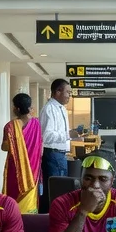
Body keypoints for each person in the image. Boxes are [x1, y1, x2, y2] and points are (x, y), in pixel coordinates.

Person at [38, 79, 77, 211]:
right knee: (55, 191)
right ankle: (49, 219)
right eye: (67, 92)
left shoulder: (61, 109)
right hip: (53, 154)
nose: (69, 96)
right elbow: (46, 136)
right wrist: (68, 135)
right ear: (57, 91)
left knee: (61, 189)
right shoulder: (49, 109)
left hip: (60, 154)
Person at [1, 92, 42, 213]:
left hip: (16, 170)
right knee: (30, 204)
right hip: (33, 168)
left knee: (14, 194)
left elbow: (4, 147)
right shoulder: (36, 124)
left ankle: (12, 217)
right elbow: (40, 146)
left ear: (16, 109)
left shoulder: (10, 126)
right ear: (29, 107)